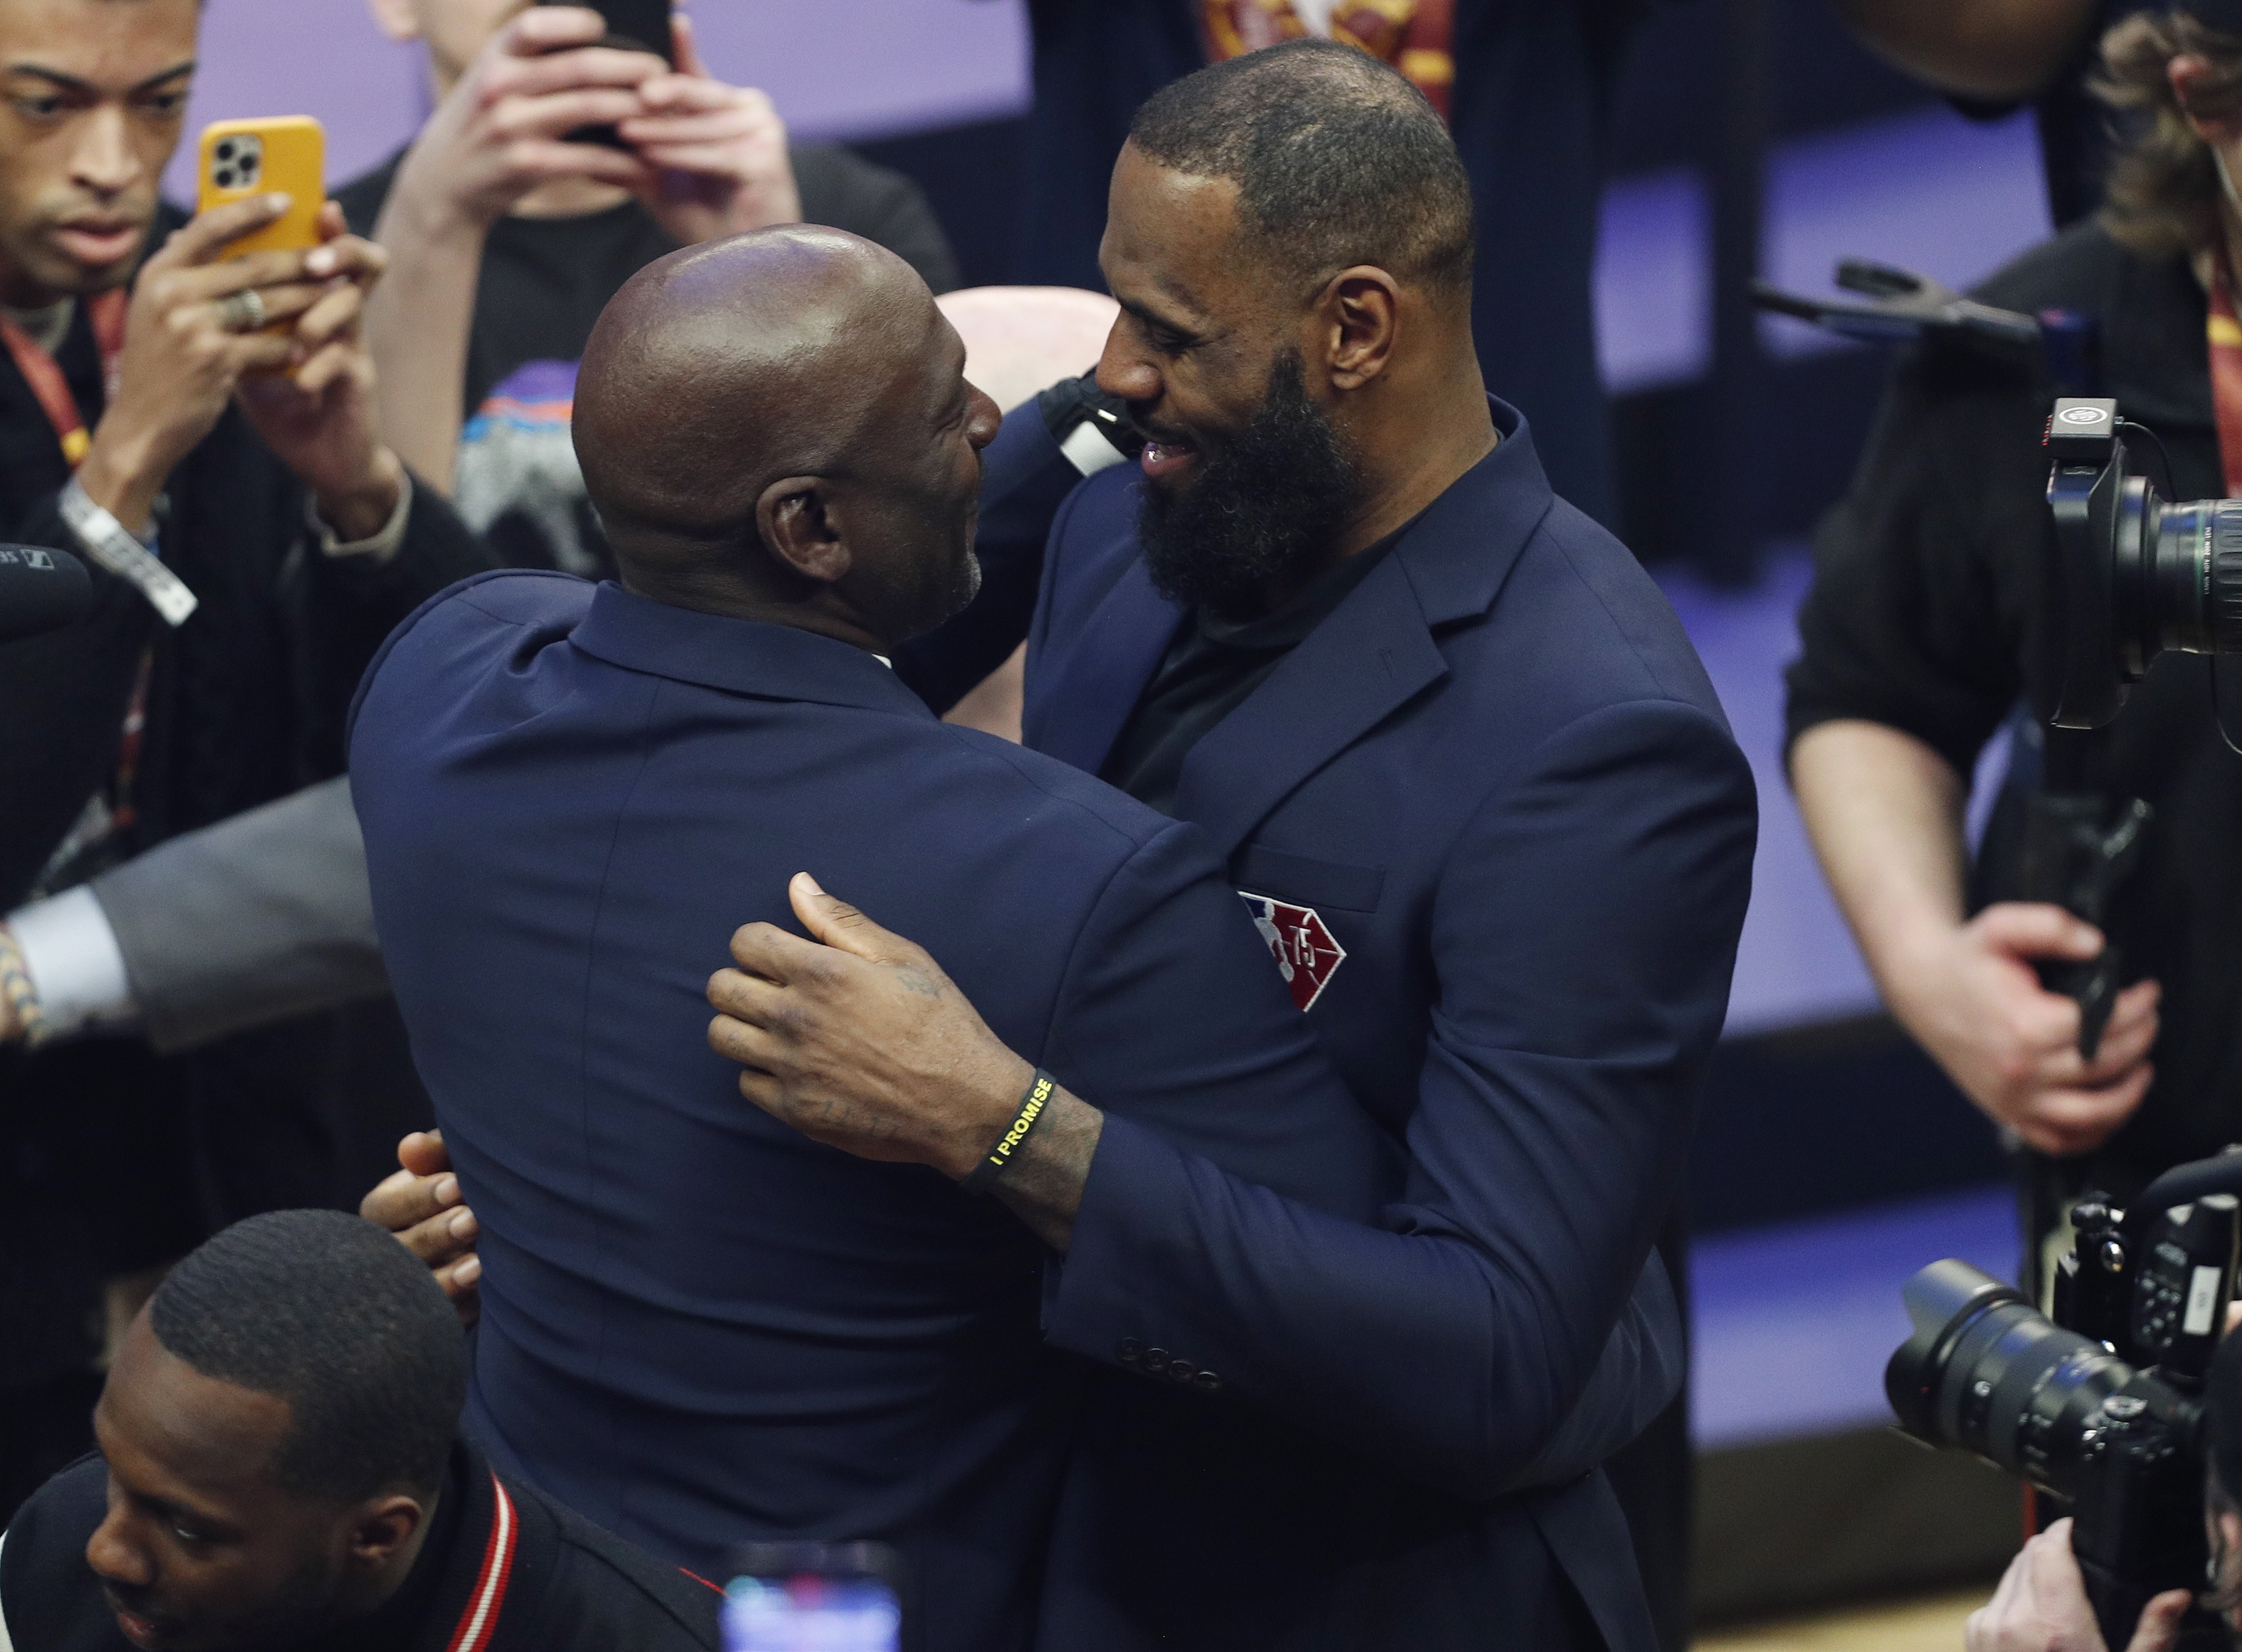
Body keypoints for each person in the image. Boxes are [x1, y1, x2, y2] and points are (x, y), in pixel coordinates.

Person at [399, 40, 1742, 1652]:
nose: (1109, 371)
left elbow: (1502, 1359)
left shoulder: (1596, 741)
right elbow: (763, 628)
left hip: (1371, 1586)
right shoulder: (1146, 475)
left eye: (1168, 331)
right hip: (1084, 1536)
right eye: (1115, 306)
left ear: (1357, 328)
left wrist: (1005, 1121)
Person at [0, 0, 490, 1519]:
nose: (110, 162)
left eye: (161, 105)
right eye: (39, 105)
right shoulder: (153, 363)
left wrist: (348, 479)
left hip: (228, 1133)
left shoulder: (198, 293)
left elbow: (423, 750)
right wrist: (123, 467)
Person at [1787, 1, 2242, 1290]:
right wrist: (1933, 972)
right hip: (2164, 1195)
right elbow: (1865, 702)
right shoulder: (2035, 359)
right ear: (2204, 103)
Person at [340, 0, 958, 575]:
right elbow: (356, 607)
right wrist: (430, 227)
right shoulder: (325, 258)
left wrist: (779, 271)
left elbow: (931, 549)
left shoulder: (846, 218)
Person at [0, 1208, 721, 1650]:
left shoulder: (651, 1640)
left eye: (189, 1530)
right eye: (115, 1470)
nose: (107, 1552)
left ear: (377, 1536)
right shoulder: (54, 1552)